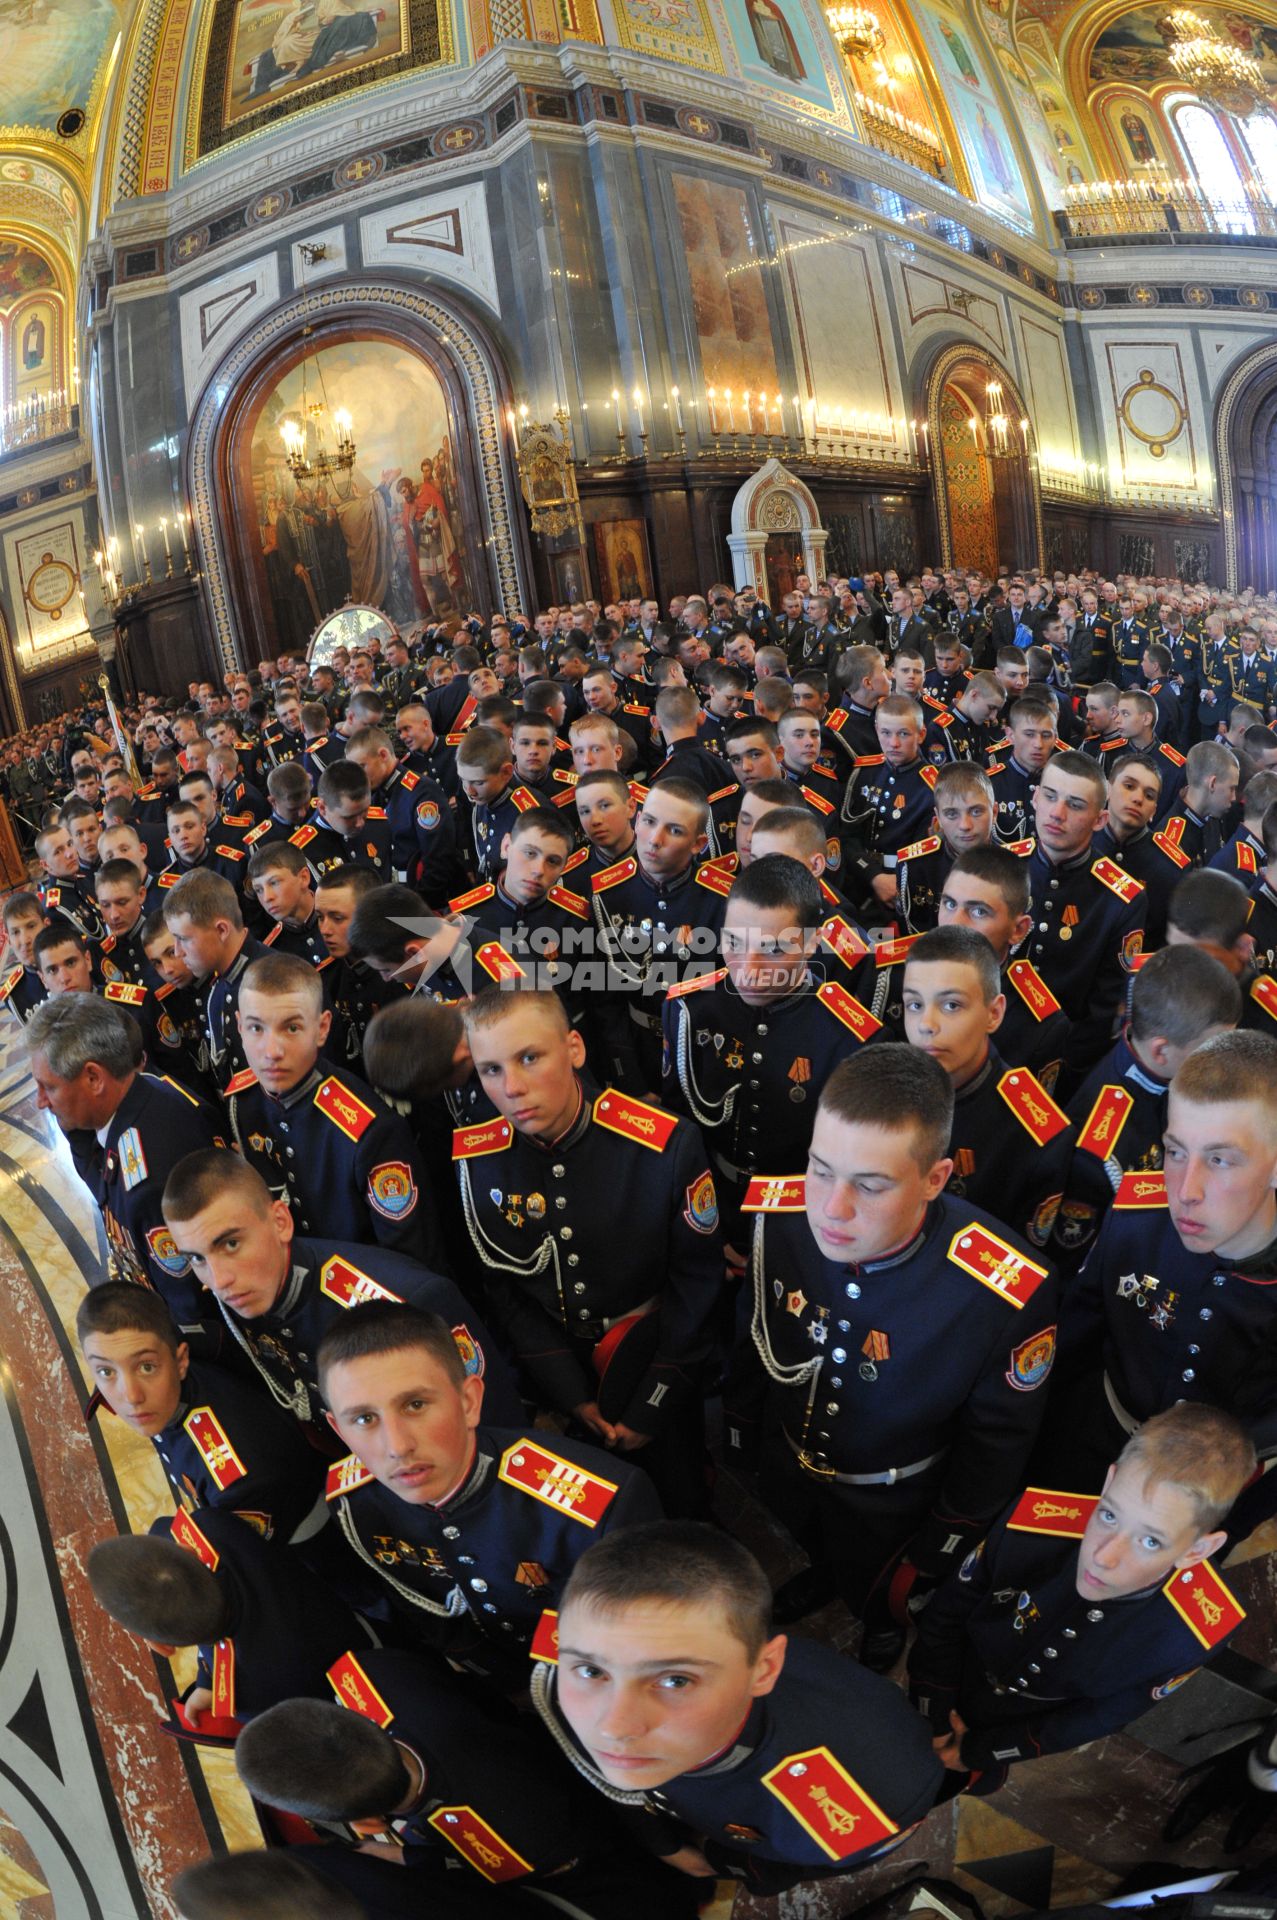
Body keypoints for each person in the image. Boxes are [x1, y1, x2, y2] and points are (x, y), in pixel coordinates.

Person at [724, 1045, 1058, 1668]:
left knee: (878, 1584)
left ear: (934, 1179)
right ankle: (824, 1574)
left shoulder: (1002, 1290)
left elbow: (998, 1437)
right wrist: (743, 1428)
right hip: (793, 1452)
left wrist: (950, 1532)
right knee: (811, 1538)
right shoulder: (781, 1215)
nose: (832, 1208)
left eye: (870, 1186)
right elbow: (757, 1330)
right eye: (820, 1170)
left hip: (893, 1496)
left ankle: (878, 1620)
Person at [532, 1519, 942, 1896]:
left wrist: (726, 1863)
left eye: (675, 1680)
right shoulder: (569, 1668)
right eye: (590, 1669)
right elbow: (622, 1786)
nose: (613, 1726)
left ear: (763, 1670)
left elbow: (805, 1860)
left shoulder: (871, 1797)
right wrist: (664, 1844)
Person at [452, 989, 722, 1515]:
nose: (511, 1088)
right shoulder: (476, 1158)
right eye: (490, 1070)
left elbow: (697, 1285)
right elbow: (504, 1292)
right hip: (558, 1369)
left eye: (530, 1058)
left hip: (655, 1358)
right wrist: (572, 1396)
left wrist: (653, 1403)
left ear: (574, 1048)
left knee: (685, 1499)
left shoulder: (662, 1147)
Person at [909, 1406, 1253, 1792]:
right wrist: (933, 1713)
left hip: (1033, 1714)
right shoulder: (1034, 1527)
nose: (1103, 1557)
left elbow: (1100, 1716)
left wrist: (982, 1753)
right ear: (1109, 1483)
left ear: (1197, 1551)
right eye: (1109, 1516)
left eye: (1150, 1540)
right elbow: (947, 1615)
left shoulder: (1191, 1633)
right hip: (958, 1670)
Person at [318, 1302, 661, 1681]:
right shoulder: (353, 1503)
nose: (397, 1446)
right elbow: (428, 1610)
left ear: (469, 1402)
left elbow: (645, 1639)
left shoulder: (603, 1505)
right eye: (364, 1419)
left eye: (415, 1405)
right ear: (338, 1429)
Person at [236, 1670, 697, 1917]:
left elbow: (495, 1887)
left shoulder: (502, 1852)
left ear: (366, 1821)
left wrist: (411, 1857)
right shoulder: (377, 1676)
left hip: (595, 1847)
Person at [1038, 1030, 1277, 1493]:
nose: (1186, 1191)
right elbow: (1076, 1336)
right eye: (1175, 1151)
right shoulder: (1134, 1217)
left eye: (1221, 1160)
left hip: (1209, 1492)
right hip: (1092, 1442)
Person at [160, 1149, 519, 1430]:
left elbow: (496, 1429)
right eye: (197, 1259)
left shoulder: (407, 1303)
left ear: (281, 1222)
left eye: (232, 1244)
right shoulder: (242, 1300)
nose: (219, 1280)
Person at [660, 856, 880, 1245]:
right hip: (707, 1204)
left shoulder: (851, 1038)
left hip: (803, 1221)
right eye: (733, 943)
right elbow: (681, 1129)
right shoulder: (690, 1008)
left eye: (773, 950)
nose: (749, 969)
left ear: (813, 943)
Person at [25, 994, 224, 1340]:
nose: (41, 1102)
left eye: (49, 1087)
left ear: (94, 1078)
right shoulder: (146, 1090)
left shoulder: (148, 1179)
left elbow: (192, 1311)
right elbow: (101, 1180)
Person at [77, 1283, 327, 1543]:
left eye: (147, 1367)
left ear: (181, 1361)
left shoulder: (237, 1480)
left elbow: (246, 1560)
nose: (131, 1397)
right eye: (106, 1371)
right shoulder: (164, 1367)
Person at [227, 952, 436, 1262]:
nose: (271, 1052)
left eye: (292, 1028)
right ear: (240, 1027)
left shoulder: (371, 1130)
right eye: (257, 1028)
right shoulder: (241, 1103)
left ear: (323, 1028)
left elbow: (408, 1260)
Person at [87, 1508, 375, 1731]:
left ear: (163, 1646)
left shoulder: (251, 1702)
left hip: (362, 1682)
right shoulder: (209, 1526)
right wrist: (208, 1680)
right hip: (349, 1615)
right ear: (188, 1550)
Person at [1061, 945, 1242, 1259]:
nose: (1224, 1060)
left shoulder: (1171, 1067)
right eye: (1212, 1049)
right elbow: (1086, 1257)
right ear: (1161, 1051)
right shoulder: (1101, 1151)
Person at [902, 926, 1076, 1250]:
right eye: (914, 1005)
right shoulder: (881, 1088)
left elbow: (1021, 1268)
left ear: (994, 1014)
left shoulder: (1036, 1137)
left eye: (951, 1005)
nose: (926, 1024)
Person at [1026, 751, 1146, 1075]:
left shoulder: (1121, 898)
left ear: (1099, 820)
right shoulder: (1001, 866)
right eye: (1050, 796)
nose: (1057, 813)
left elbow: (1104, 1011)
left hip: (1061, 1062)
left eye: (1076, 805)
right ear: (1035, 798)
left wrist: (1056, 1066)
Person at [164, 869, 270, 1095]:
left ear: (222, 930)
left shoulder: (277, 983)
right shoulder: (217, 990)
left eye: (183, 939)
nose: (177, 952)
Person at [1161, 740, 1241, 867]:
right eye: (1231, 789)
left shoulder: (1212, 814)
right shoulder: (1171, 841)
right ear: (1212, 784)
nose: (1233, 798)